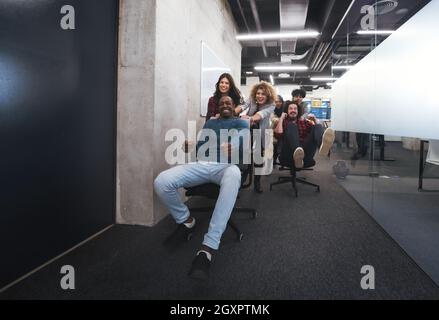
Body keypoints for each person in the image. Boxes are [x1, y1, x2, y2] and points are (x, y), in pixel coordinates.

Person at [154, 96, 249, 280]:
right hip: (203, 164)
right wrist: (192, 145)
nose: (225, 105)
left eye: (228, 103)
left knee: (234, 174)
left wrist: (232, 146)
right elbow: (201, 145)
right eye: (222, 103)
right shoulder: (211, 124)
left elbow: (240, 139)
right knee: (162, 182)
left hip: (226, 167)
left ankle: (208, 247)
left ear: (234, 106)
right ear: (218, 108)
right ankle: (186, 219)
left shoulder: (241, 123)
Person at [235, 81, 276, 193]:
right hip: (249, 130)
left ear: (268, 96)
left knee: (258, 158)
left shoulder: (271, 104)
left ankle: (257, 182)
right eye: (258, 93)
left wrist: (250, 118)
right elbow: (243, 106)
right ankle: (242, 180)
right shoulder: (252, 99)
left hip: (262, 132)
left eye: (263, 94)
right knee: (245, 156)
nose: (260, 96)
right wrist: (232, 113)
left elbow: (261, 114)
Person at [274, 101, 335, 169]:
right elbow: (278, 134)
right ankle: (297, 153)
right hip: (287, 154)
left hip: (305, 154)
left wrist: (314, 119)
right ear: (286, 111)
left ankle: (323, 147)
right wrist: (281, 118)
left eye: (295, 109)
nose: (293, 110)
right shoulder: (283, 122)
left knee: (317, 126)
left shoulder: (304, 122)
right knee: (291, 125)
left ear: (298, 111)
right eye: (290, 109)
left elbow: (316, 131)